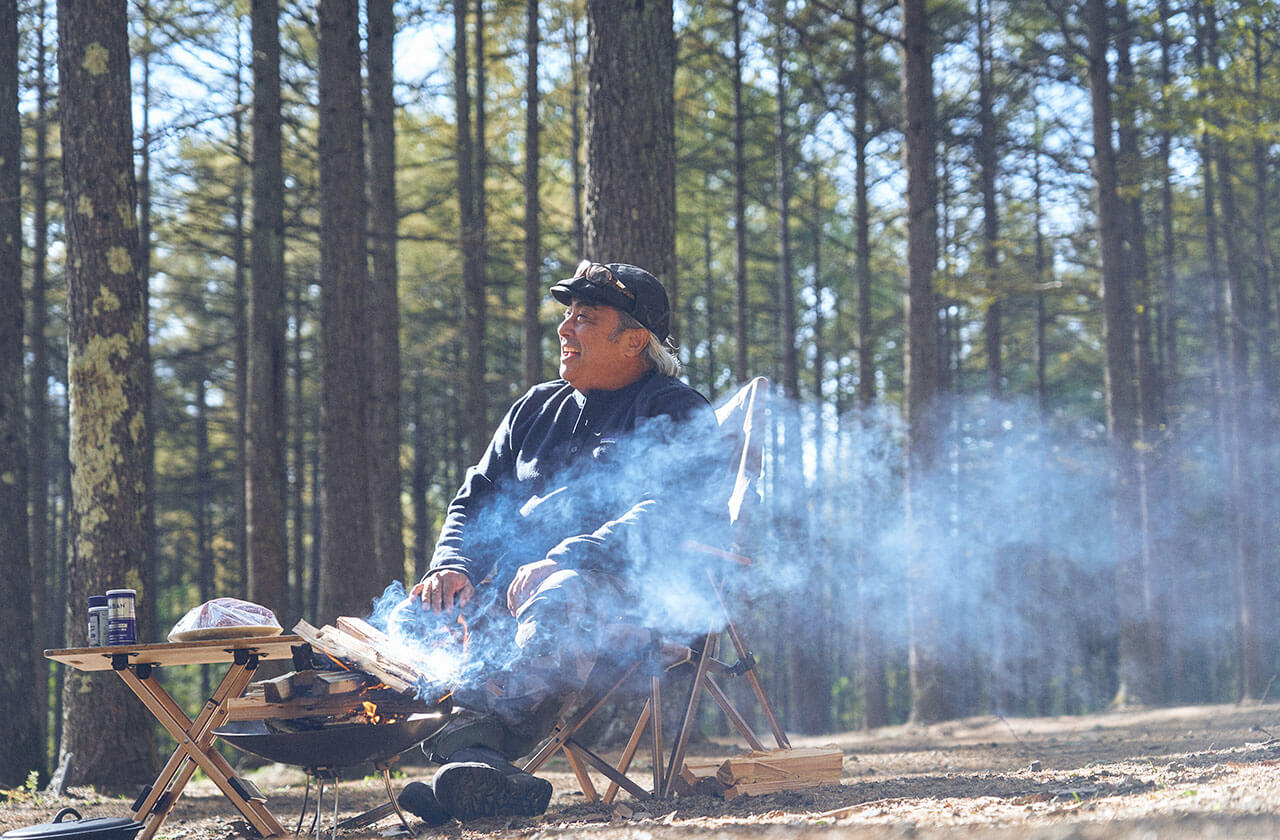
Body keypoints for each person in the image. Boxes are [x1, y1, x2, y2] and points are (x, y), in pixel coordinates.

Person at [398, 260, 720, 822]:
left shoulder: (674, 410)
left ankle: (478, 753)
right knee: (410, 618)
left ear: (634, 340)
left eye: (585, 318)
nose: (565, 330)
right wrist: (452, 566)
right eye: (567, 316)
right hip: (520, 597)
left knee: (561, 591)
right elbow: (475, 498)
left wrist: (566, 559)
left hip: (633, 596)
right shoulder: (536, 408)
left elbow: (673, 512)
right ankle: (476, 772)